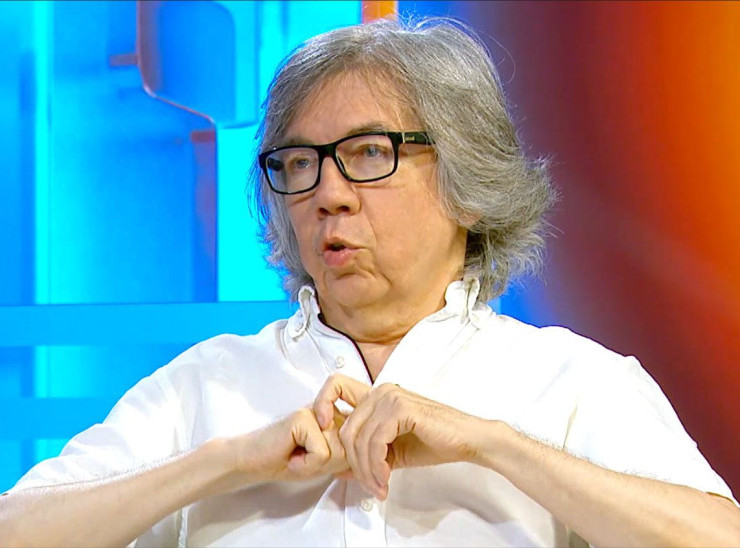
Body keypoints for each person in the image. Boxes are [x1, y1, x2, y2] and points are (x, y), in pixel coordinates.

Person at [1, 16, 739, 547]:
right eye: (299, 164)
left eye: (368, 153)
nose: (328, 194)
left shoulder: (571, 382)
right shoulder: (208, 386)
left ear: (468, 183)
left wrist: (495, 446)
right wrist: (223, 463)